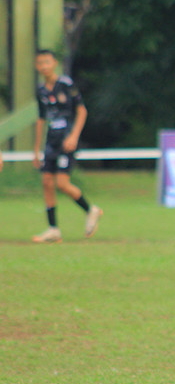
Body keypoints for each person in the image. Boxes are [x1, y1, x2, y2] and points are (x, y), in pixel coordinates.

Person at [32, 49, 102, 243]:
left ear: (54, 63)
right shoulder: (40, 90)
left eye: (47, 62)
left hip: (66, 140)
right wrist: (36, 149)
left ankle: (91, 210)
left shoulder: (66, 84)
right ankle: (53, 229)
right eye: (40, 63)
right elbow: (41, 119)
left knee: (62, 183)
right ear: (37, 67)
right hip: (51, 141)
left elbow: (82, 111)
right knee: (46, 182)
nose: (44, 66)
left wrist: (74, 136)